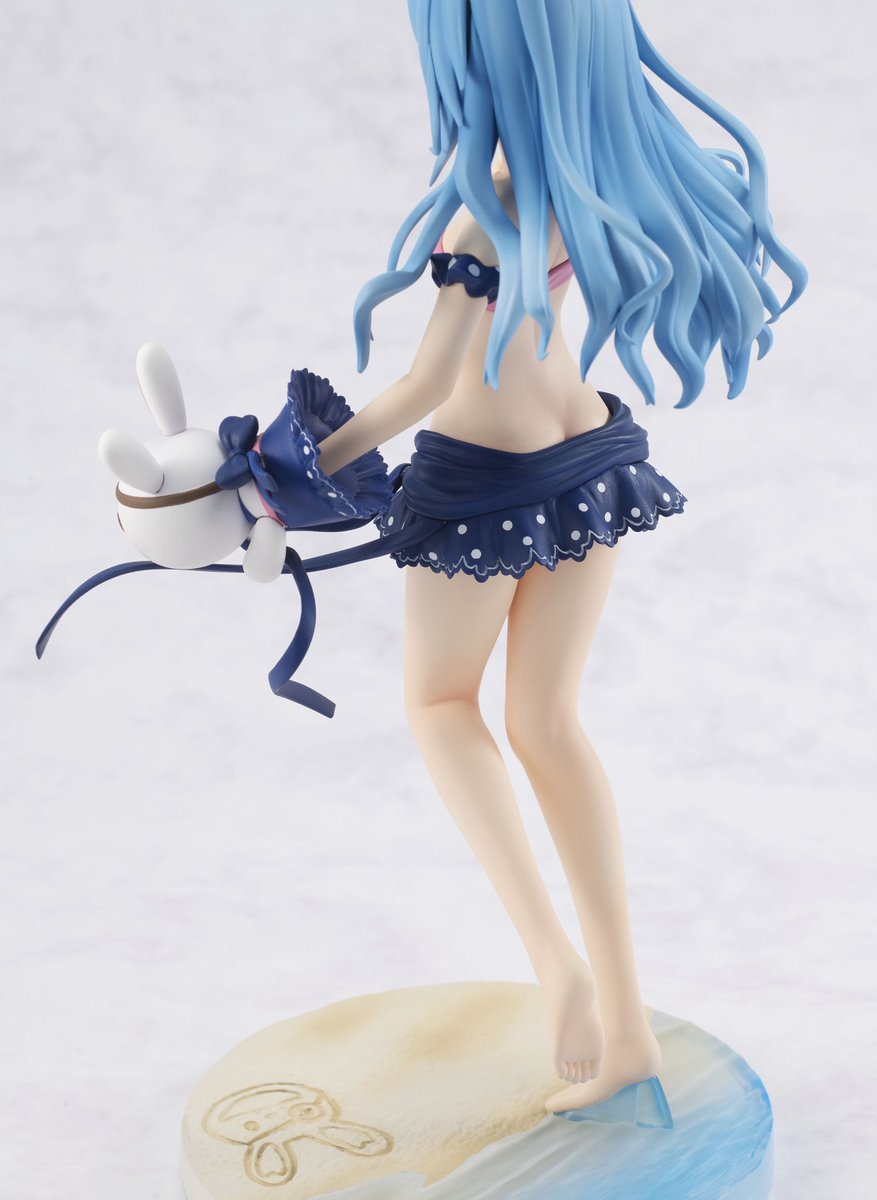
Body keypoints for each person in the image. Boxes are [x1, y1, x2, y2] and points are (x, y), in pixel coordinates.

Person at [312, 0, 806, 1116]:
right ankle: (625, 1027)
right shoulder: (591, 183)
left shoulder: (484, 212)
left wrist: (295, 465)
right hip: (585, 460)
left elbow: (423, 387)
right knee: (546, 724)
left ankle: (556, 965)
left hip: (482, 486)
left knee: (440, 705)